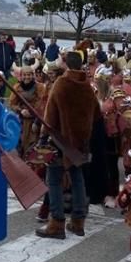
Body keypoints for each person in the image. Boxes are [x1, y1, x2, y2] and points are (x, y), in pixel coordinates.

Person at [36, 49, 101, 240]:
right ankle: (78, 222)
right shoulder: (87, 86)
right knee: (77, 178)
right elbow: (97, 114)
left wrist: (42, 137)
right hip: (81, 142)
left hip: (60, 140)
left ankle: (56, 223)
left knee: (54, 180)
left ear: (65, 63)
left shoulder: (61, 83)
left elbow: (50, 115)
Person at [9, 65, 48, 156]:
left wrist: (34, 115)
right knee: (20, 144)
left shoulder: (40, 87)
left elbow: (42, 103)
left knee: (33, 145)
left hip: (35, 120)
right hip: (21, 120)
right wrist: (20, 110)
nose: (27, 77)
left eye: (29, 74)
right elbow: (12, 104)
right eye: (25, 75)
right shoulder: (17, 87)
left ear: (32, 75)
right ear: (21, 76)